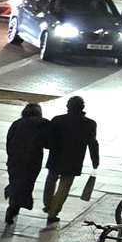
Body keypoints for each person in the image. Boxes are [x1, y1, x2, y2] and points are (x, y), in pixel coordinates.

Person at [43, 96, 100, 224]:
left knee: (50, 181)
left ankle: (48, 204)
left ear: (68, 107)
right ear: (82, 108)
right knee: (64, 186)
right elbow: (92, 143)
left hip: (56, 157)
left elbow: (49, 139)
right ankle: (53, 212)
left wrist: (50, 147)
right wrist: (95, 159)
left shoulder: (57, 120)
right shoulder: (89, 124)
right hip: (74, 159)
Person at [5, 103, 51, 224]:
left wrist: (11, 157)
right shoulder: (43, 123)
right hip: (32, 161)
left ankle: (13, 206)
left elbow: (9, 142)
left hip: (15, 160)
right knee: (26, 185)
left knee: (16, 182)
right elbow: (48, 143)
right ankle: (13, 207)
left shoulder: (17, 123)